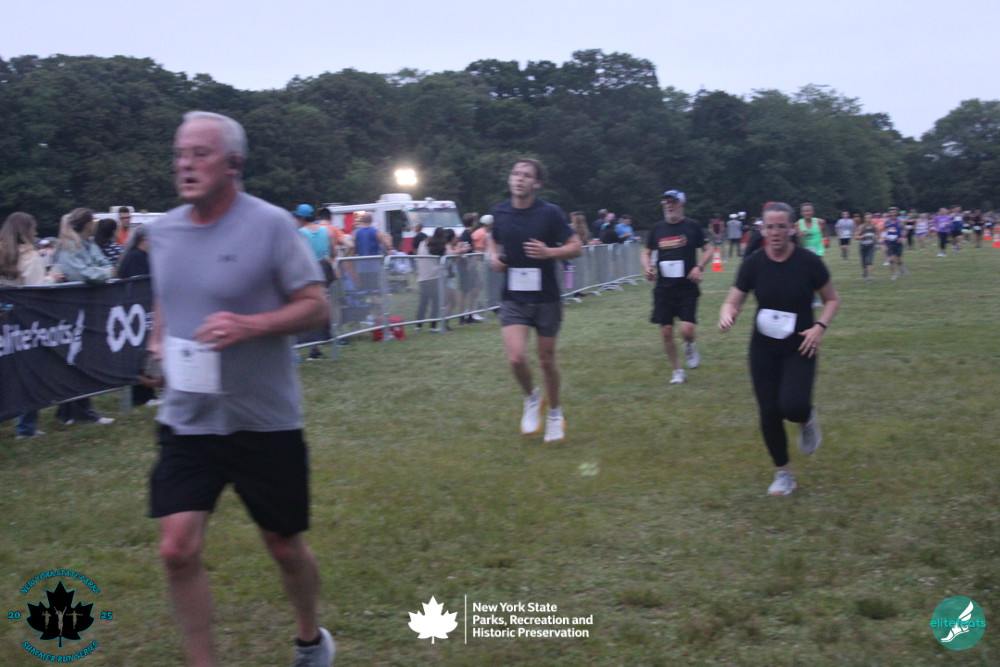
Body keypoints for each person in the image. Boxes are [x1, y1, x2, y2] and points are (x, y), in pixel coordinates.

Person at [147, 110, 334, 666]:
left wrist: (250, 325)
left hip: (263, 420)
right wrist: (157, 346)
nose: (185, 164)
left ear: (233, 163)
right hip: (188, 419)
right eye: (180, 154)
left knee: (284, 546)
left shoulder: (271, 224)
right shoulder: (163, 232)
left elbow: (316, 307)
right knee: (176, 549)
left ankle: (310, 639)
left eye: (199, 153)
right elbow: (168, 300)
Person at [718, 202, 840, 496]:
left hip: (801, 344)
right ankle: (784, 473)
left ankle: (806, 419)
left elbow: (832, 299)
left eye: (781, 227)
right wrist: (727, 312)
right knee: (769, 411)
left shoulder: (808, 262)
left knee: (793, 405)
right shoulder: (754, 263)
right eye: (770, 227)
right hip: (763, 348)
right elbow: (733, 300)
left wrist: (819, 327)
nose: (775, 233)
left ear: (791, 229)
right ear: (763, 229)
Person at [487, 158, 582, 443]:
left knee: (546, 359)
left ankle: (554, 413)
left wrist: (549, 252)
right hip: (513, 296)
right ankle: (531, 398)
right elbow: (493, 239)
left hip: (546, 298)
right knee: (516, 358)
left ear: (536, 183)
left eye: (526, 175)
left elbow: (576, 247)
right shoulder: (500, 211)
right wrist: (493, 256)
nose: (519, 179)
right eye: (515, 173)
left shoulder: (549, 213)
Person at [0, 212, 63, 438]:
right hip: (26, 322)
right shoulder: (30, 256)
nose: (36, 233)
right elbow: (37, 288)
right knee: (30, 371)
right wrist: (52, 278)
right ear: (26, 231)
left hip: (5, 319)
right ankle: (26, 427)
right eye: (33, 229)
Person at [641, 189, 712, 385]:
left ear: (682, 204)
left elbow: (708, 251)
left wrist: (699, 267)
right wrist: (647, 267)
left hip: (687, 287)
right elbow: (646, 252)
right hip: (664, 288)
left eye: (673, 202)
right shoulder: (657, 229)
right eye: (666, 202)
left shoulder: (692, 226)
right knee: (666, 331)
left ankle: (689, 344)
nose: (669, 206)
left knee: (686, 330)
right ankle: (677, 371)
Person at [54, 208, 117, 426]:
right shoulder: (70, 247)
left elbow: (106, 264)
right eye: (93, 221)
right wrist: (103, 273)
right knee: (78, 358)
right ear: (87, 223)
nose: (95, 225)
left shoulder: (88, 245)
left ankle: (69, 411)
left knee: (81, 357)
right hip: (73, 309)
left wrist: (102, 271)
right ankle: (79, 412)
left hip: (87, 307)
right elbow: (82, 274)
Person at [117, 225, 161, 407]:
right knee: (138, 354)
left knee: (144, 353)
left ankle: (148, 392)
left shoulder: (142, 257)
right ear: (145, 240)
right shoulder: (135, 258)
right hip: (135, 313)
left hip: (143, 312)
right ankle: (141, 395)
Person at [294, 204, 336, 359]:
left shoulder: (300, 233)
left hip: (308, 271)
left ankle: (311, 347)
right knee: (323, 305)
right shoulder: (327, 231)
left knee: (308, 307)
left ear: (302, 218)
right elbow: (333, 252)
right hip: (325, 268)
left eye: (297, 217)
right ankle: (324, 341)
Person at [882, 207, 907, 280]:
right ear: (889, 213)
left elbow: (905, 230)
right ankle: (894, 274)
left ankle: (901, 266)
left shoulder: (900, 221)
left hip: (898, 242)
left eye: (894, 212)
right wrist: (884, 237)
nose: (892, 214)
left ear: (896, 213)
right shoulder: (886, 222)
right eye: (891, 212)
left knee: (899, 259)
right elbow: (884, 231)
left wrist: (902, 237)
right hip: (889, 243)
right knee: (891, 259)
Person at [855, 213, 878, 283]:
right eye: (866, 218)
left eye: (869, 218)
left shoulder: (874, 227)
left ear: (871, 218)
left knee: (869, 262)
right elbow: (856, 237)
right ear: (864, 219)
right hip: (863, 246)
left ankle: (869, 279)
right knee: (863, 262)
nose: (868, 219)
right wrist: (863, 236)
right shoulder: (861, 227)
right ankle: (865, 270)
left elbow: (877, 236)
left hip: (871, 246)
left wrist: (876, 240)